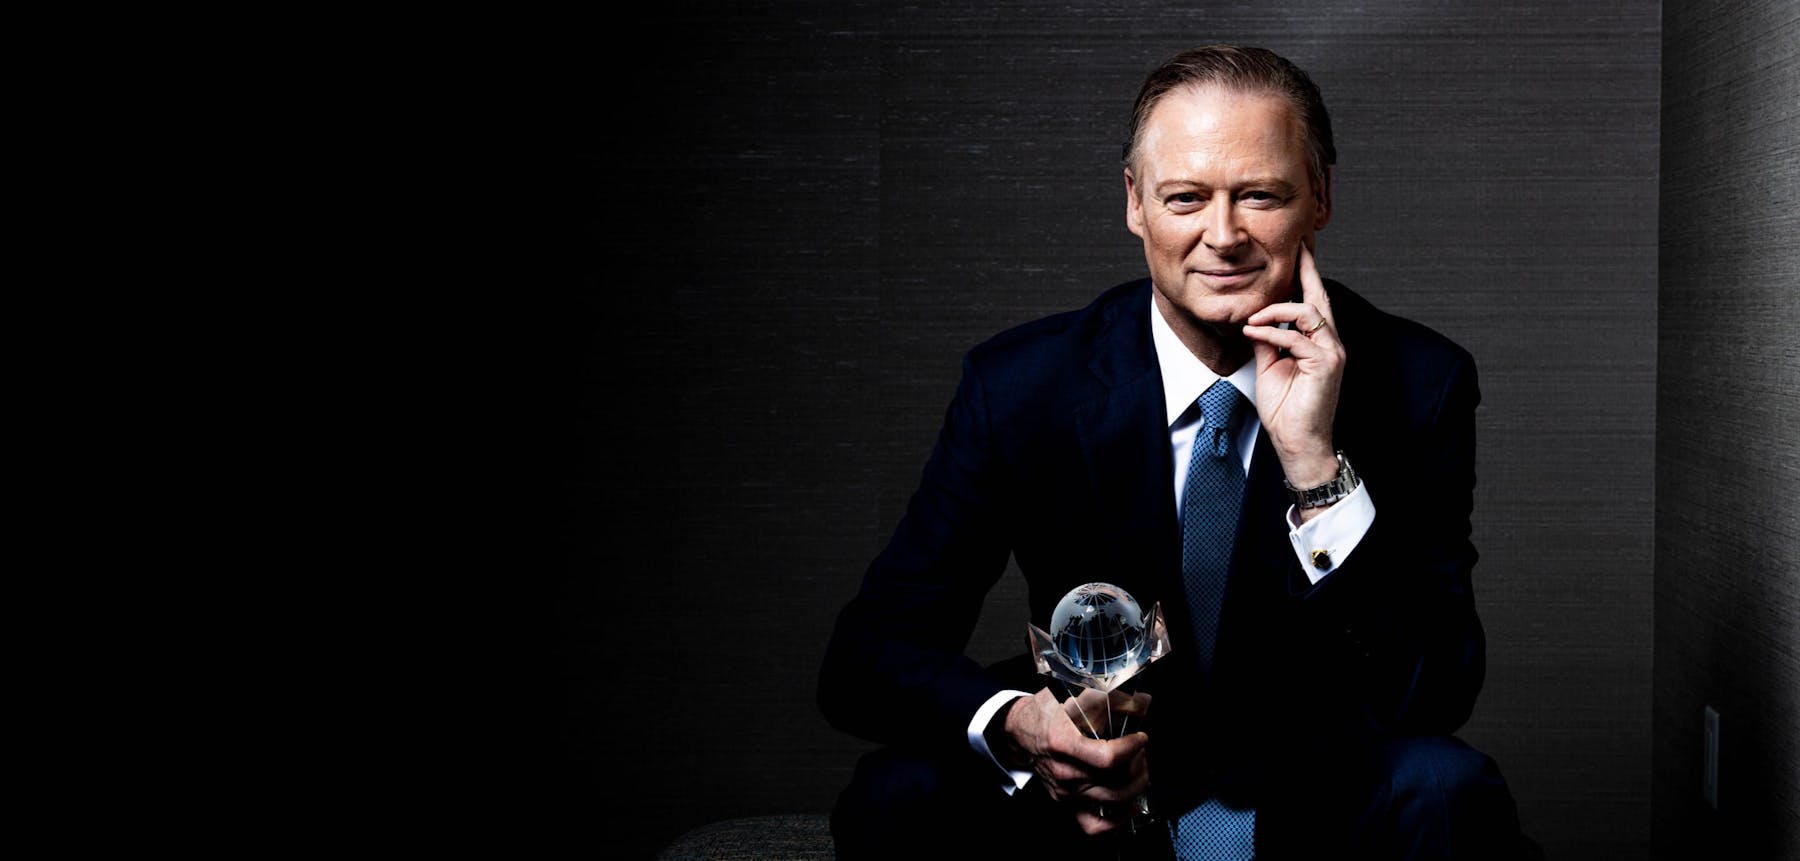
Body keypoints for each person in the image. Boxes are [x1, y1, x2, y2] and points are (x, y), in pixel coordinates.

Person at [818, 44, 1525, 860]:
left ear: (1320, 198)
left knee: (1448, 786)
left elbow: (1435, 688)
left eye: (1259, 195)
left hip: (1313, 795)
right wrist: (1023, 724)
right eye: (1185, 197)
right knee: (894, 795)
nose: (1221, 237)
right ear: (1135, 204)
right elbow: (865, 657)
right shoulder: (1022, 385)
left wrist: (1316, 469)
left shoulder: (1418, 382)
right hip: (1090, 795)